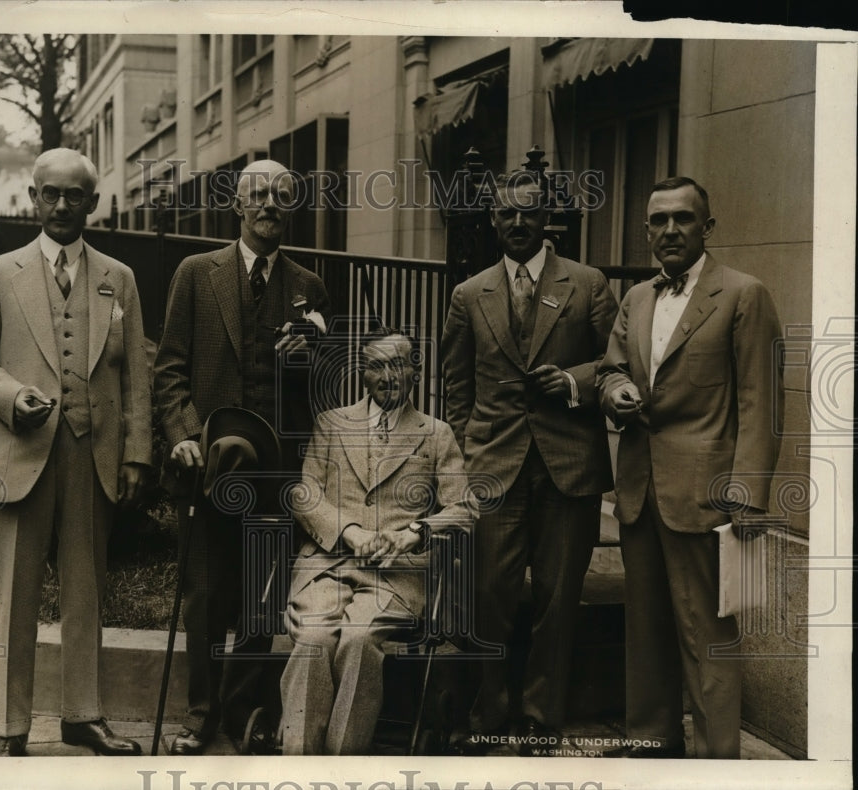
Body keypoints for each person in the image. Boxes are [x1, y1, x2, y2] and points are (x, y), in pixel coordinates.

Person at [0, 148, 152, 756]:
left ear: (93, 203)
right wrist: (13, 397)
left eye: (75, 195)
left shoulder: (120, 277)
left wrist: (137, 453)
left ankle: (81, 716)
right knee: (14, 594)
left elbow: (135, 376)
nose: (62, 205)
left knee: (86, 590)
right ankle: (11, 729)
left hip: (91, 457)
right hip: (20, 454)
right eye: (51, 194)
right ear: (34, 199)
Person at [597, 176, 784, 759]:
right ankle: (650, 743)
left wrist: (749, 496)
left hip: (707, 498)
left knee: (709, 637)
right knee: (645, 630)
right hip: (639, 490)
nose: (670, 230)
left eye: (683, 219)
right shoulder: (637, 299)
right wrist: (618, 388)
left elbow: (763, 401)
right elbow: (608, 369)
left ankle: (714, 763)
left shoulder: (743, 294)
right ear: (647, 229)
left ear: (707, 228)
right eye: (659, 220)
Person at [154, 159, 332, 754]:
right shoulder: (196, 273)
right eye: (258, 195)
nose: (269, 207)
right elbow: (170, 368)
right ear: (237, 204)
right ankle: (199, 712)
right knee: (205, 598)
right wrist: (183, 434)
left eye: (282, 196)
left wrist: (310, 355)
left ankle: (241, 714)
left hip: (275, 471)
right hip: (210, 465)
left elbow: (319, 395)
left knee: (261, 597)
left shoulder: (309, 286)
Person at [440, 170, 618, 752]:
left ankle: (542, 714)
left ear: (548, 220)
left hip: (569, 465)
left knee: (557, 596)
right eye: (506, 213)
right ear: (493, 221)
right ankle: (488, 710)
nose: (518, 223)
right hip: (495, 467)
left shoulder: (587, 284)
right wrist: (469, 455)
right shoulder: (470, 293)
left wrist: (572, 381)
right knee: (487, 594)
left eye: (529, 212)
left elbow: (618, 362)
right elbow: (456, 388)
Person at [280, 329, 476, 754]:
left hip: (396, 577)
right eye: (376, 366)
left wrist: (415, 533)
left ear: (415, 372)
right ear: (362, 374)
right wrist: (350, 533)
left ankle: (340, 767)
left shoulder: (436, 434)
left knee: (358, 639)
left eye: (398, 364)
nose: (387, 376)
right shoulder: (332, 423)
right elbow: (305, 493)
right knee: (313, 638)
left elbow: (465, 511)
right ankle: (297, 765)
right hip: (327, 568)